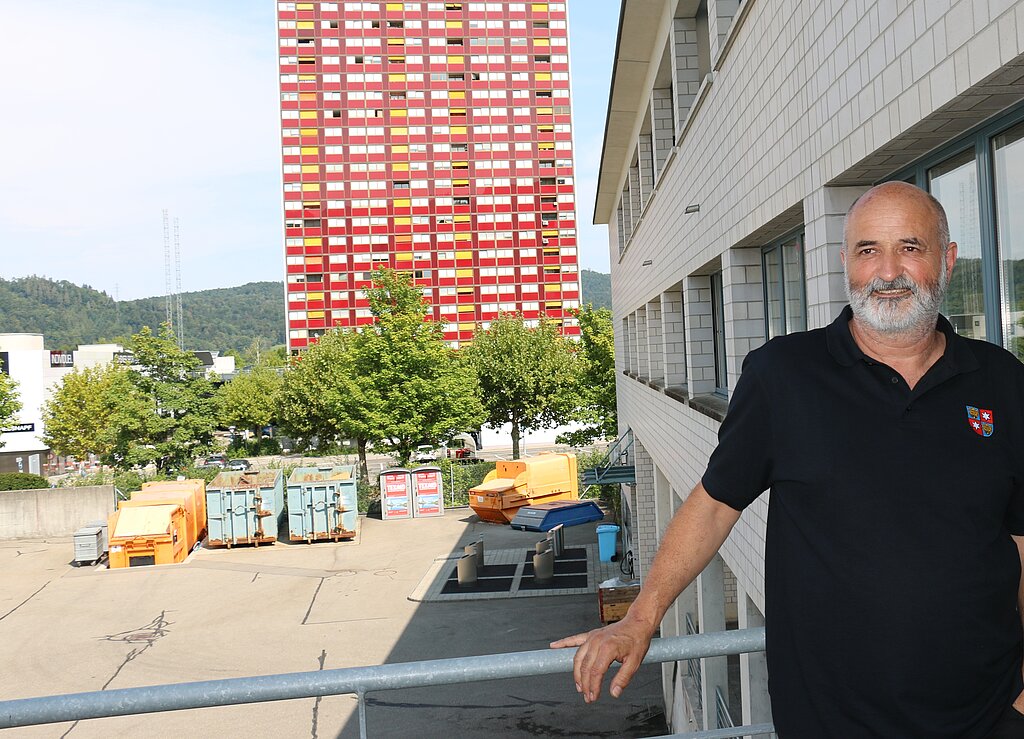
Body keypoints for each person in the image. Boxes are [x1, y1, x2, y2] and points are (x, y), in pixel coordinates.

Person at [551, 182, 1024, 737]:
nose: (888, 271)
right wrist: (641, 616)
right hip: (834, 722)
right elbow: (713, 505)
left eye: (911, 248)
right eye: (869, 249)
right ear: (844, 261)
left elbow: (1018, 539)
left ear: (946, 260)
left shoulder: (1002, 379)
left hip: (989, 715)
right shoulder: (784, 376)